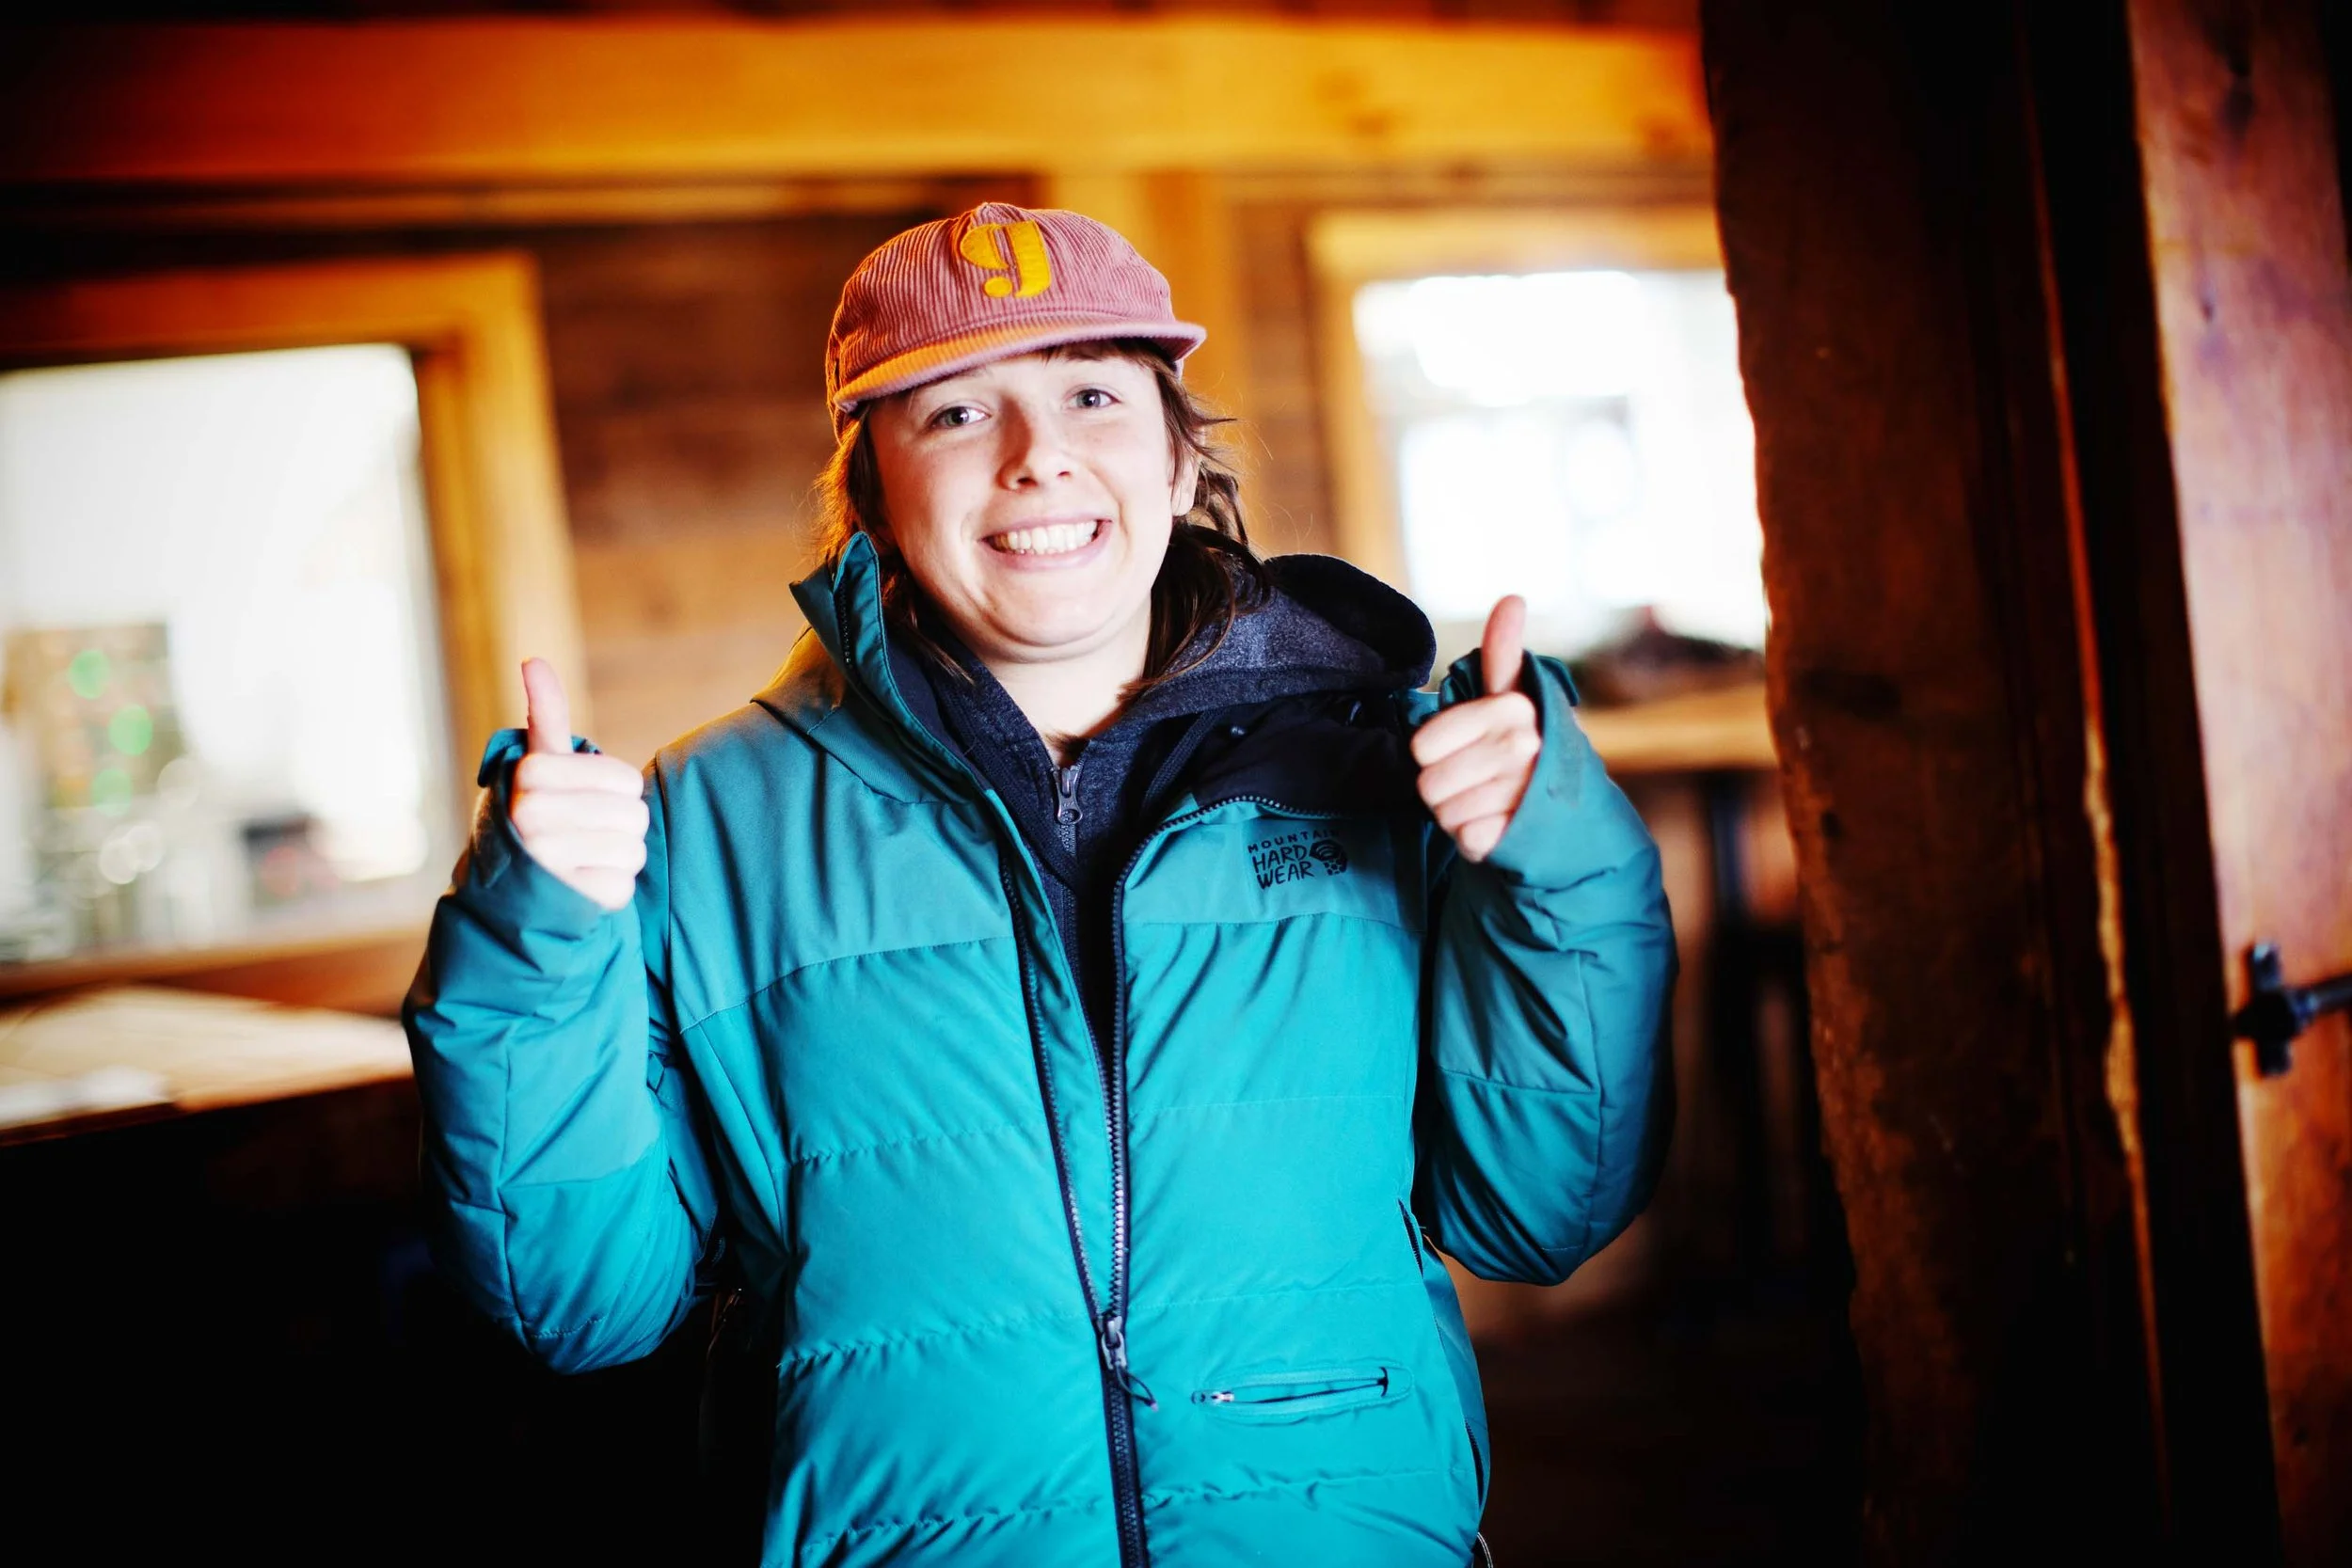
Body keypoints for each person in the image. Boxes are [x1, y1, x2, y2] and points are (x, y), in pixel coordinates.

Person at [404, 202, 1676, 1567]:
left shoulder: (1380, 767)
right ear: (873, 492)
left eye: (1090, 391)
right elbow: (574, 1300)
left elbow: (1545, 1207)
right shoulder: (713, 817)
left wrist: (1561, 865)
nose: (1037, 456)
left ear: (1182, 457)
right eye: (953, 413)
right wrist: (532, 938)